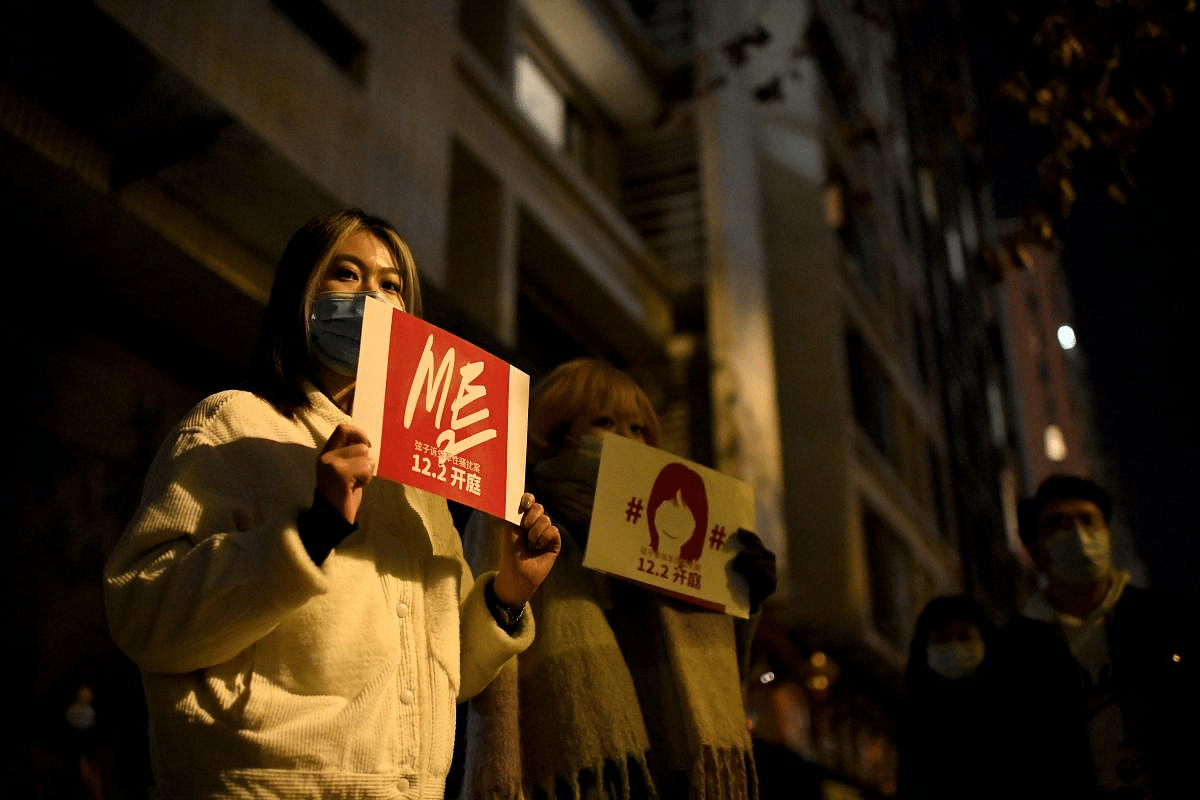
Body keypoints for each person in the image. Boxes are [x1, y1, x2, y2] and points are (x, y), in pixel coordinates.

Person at [103, 208, 561, 799]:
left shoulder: (421, 480)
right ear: (301, 293)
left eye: (391, 285)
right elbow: (142, 613)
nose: (372, 296)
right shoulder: (235, 425)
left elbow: (446, 676)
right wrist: (312, 530)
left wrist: (506, 596)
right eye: (346, 274)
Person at [456, 357, 776, 800]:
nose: (627, 440)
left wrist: (743, 595)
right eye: (604, 422)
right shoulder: (514, 517)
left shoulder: (669, 529)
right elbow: (474, 652)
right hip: (574, 778)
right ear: (556, 432)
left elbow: (724, 680)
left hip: (670, 770)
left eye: (638, 428)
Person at [991, 474, 1197, 799]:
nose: (1078, 534)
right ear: (1036, 549)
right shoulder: (1012, 651)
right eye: (1059, 524)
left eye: (1088, 520)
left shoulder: (1166, 620)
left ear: (1107, 534)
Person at [896, 594, 1004, 800]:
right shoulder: (915, 720)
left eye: (964, 637)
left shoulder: (1013, 710)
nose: (953, 648)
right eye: (941, 639)